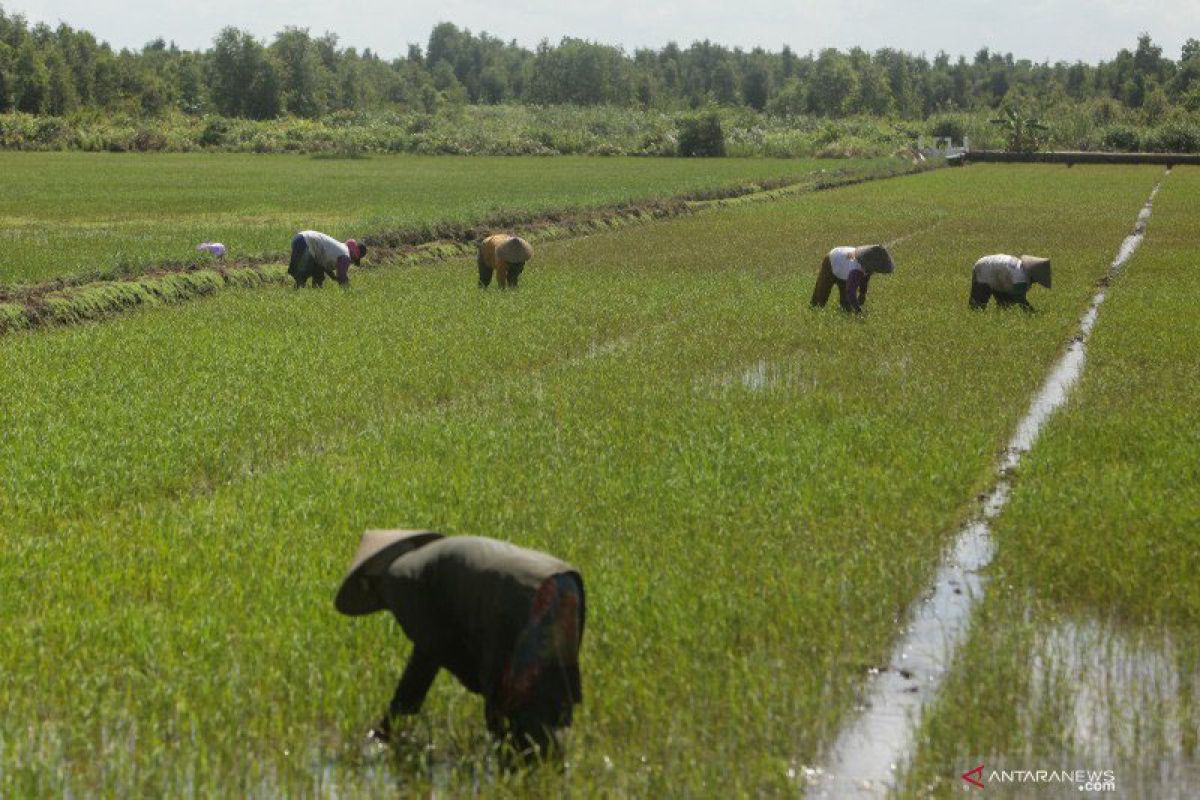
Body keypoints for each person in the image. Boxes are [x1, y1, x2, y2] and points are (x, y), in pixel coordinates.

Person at [335, 529, 585, 756]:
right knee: (543, 704)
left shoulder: (397, 577)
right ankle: (554, 780)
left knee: (517, 723)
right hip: (562, 582)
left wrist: (487, 692)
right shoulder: (422, 566)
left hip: (524, 598)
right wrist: (396, 718)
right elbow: (428, 650)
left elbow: (434, 648)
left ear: (371, 580)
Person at [810, 244, 895, 313]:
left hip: (844, 263)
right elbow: (851, 291)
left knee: (846, 304)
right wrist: (858, 309)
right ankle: (814, 309)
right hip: (833, 259)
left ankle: (843, 310)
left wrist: (862, 293)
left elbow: (864, 280)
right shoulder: (855, 269)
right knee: (822, 293)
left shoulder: (866, 266)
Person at [969, 254, 1051, 310]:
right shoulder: (1020, 276)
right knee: (978, 305)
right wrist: (1031, 312)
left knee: (1005, 305)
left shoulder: (1020, 268)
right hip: (984, 268)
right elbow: (1019, 298)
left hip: (999, 271)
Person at [288, 230, 366, 288]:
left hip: (299, 238)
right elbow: (342, 275)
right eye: (354, 260)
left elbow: (325, 266)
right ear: (355, 255)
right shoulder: (345, 255)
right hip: (306, 242)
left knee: (317, 271)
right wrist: (348, 290)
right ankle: (300, 291)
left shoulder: (340, 248)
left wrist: (334, 277)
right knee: (302, 277)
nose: (351, 262)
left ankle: (313, 291)